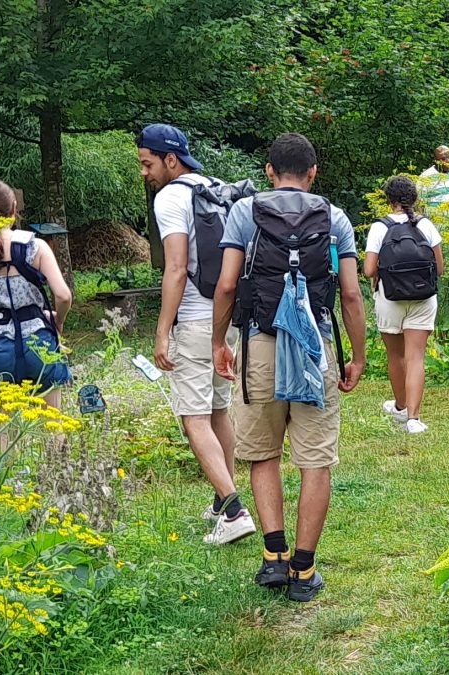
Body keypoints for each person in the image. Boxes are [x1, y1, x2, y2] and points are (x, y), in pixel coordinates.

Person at [211, 133, 366, 602]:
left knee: (264, 454)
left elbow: (225, 285)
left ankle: (274, 559)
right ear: (313, 172)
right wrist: (357, 357)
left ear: (268, 171)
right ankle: (305, 568)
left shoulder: (245, 212)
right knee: (315, 459)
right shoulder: (334, 217)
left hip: (261, 342)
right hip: (314, 345)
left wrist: (221, 341)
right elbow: (353, 294)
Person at [136, 123, 256, 545]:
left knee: (193, 418)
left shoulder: (171, 197)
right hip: (226, 318)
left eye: (148, 163)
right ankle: (222, 500)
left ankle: (235, 510)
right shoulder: (217, 187)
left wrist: (162, 331)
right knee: (218, 410)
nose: (144, 173)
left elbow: (175, 266)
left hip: (192, 319)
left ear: (171, 159)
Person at [0, 179, 73, 410]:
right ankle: (58, 447)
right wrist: (57, 320)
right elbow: (64, 296)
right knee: (55, 425)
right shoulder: (35, 246)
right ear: (14, 208)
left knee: (2, 436)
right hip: (39, 346)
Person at [363, 176, 444, 434]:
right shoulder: (426, 225)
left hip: (389, 298)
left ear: (389, 200)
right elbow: (439, 269)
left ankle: (399, 406)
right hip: (423, 298)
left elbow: (368, 270)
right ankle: (413, 418)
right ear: (415, 198)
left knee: (395, 356)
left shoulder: (379, 228)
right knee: (415, 357)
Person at [419, 145, 449, 211]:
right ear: (436, 160)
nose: (448, 161)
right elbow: (419, 203)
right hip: (434, 219)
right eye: (443, 159)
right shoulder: (426, 176)